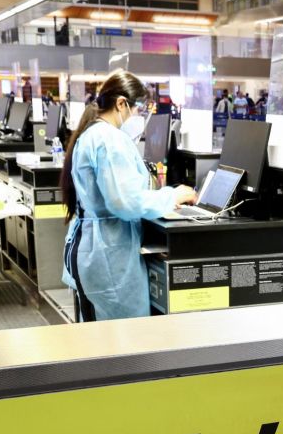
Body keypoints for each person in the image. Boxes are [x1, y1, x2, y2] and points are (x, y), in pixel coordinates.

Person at [61, 70, 197, 321]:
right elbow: (124, 201)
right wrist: (172, 196)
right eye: (137, 109)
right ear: (121, 103)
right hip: (108, 254)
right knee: (122, 339)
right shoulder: (108, 139)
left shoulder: (92, 134)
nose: (138, 116)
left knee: (99, 333)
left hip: (96, 247)